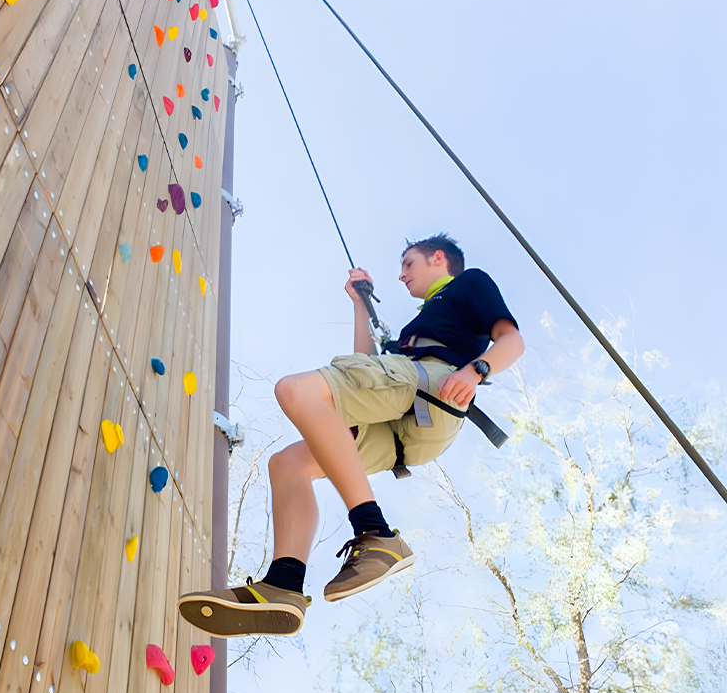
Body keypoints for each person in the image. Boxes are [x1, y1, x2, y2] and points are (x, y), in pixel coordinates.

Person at [178, 234, 523, 637]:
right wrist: (360, 305)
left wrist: (477, 369)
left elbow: (512, 340)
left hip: (436, 388)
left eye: (408, 263)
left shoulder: (469, 284)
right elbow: (365, 368)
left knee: (297, 390)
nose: (401, 274)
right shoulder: (418, 324)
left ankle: (374, 531)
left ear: (439, 258)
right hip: (409, 432)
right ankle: (284, 583)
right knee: (288, 464)